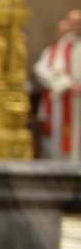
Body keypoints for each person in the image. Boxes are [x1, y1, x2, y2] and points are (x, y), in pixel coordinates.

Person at [33, 10, 81, 161]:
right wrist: (67, 85)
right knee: (63, 138)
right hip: (66, 99)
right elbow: (48, 71)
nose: (75, 26)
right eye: (73, 23)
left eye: (78, 23)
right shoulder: (60, 47)